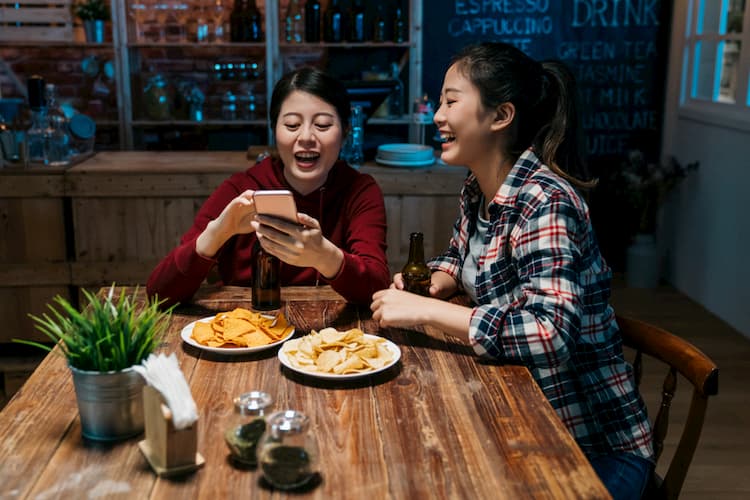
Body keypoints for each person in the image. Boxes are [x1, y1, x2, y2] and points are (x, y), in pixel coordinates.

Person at [370, 42, 654, 499]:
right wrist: (436, 280)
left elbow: (550, 333)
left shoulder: (546, 201)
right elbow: (460, 258)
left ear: (500, 116)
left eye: (450, 100)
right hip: (521, 413)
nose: (437, 116)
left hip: (590, 442)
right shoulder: (479, 188)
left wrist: (423, 310)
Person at [147, 67, 390, 307]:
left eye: (323, 125)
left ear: (345, 130)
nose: (306, 137)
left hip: (329, 339)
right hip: (245, 333)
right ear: (274, 130)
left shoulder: (359, 190)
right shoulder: (242, 189)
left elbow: (377, 289)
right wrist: (219, 231)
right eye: (292, 125)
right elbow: (159, 294)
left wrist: (325, 256)